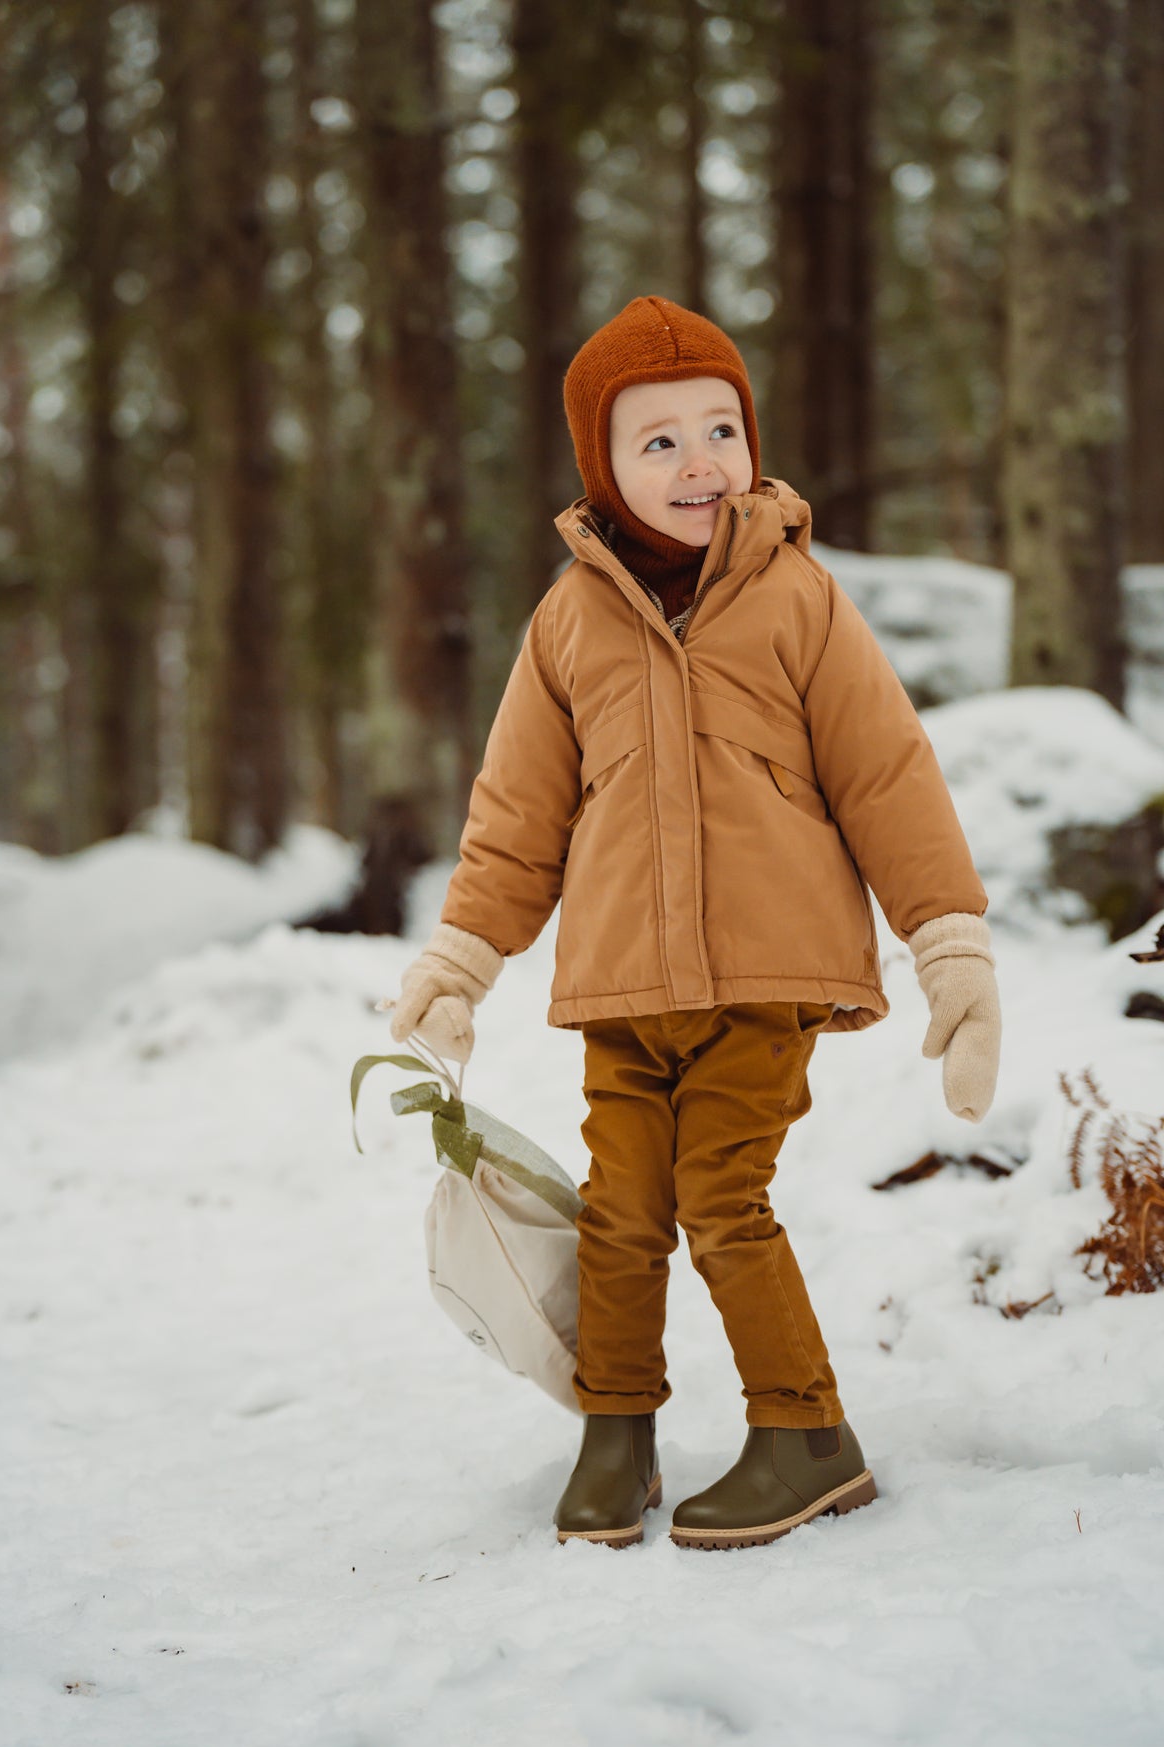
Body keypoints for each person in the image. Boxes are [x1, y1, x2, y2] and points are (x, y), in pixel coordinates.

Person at [387, 295, 1001, 1551]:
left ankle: (804, 1433)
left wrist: (949, 944)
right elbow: (518, 817)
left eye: (717, 428)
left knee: (722, 1194)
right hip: (623, 983)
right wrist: (460, 960)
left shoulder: (800, 601)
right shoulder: (566, 623)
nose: (698, 461)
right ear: (600, 470)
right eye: (657, 440)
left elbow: (889, 776)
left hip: (767, 975)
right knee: (620, 1212)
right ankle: (615, 1431)